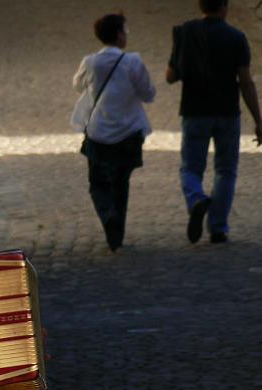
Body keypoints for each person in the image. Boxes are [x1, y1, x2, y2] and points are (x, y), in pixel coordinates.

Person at [166, 0, 262, 244]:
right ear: (225, 6)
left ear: (201, 6)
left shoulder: (185, 32)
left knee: (190, 167)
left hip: (194, 110)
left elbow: (170, 76)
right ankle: (218, 228)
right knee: (226, 169)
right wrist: (258, 120)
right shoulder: (237, 37)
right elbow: (246, 82)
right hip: (227, 112)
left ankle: (196, 199)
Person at [72, 12, 155, 251]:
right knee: (121, 181)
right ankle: (117, 231)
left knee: (98, 182)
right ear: (119, 35)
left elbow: (78, 85)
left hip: (99, 131)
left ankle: (109, 217)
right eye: (125, 31)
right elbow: (148, 93)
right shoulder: (133, 62)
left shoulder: (90, 62)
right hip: (129, 133)